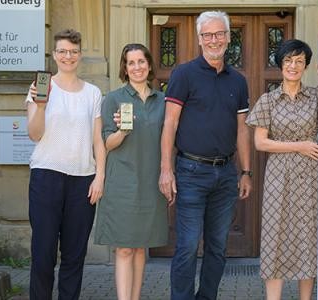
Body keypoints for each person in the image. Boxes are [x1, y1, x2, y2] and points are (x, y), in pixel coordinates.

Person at [158, 10, 252, 300]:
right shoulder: (183, 75)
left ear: (228, 37)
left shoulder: (238, 81)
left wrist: (245, 172)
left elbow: (241, 130)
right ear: (200, 39)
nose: (214, 40)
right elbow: (170, 123)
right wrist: (166, 169)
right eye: (208, 35)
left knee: (217, 247)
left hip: (225, 175)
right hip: (190, 172)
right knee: (186, 246)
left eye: (220, 34)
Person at [26, 29, 105, 299]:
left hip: (83, 180)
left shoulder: (93, 93)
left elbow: (98, 140)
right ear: (54, 55)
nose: (67, 56)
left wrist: (100, 177)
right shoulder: (40, 87)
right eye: (62, 51)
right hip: (46, 176)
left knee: (74, 255)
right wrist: (41, 105)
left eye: (73, 51)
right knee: (43, 253)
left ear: (79, 55)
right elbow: (35, 134)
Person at [246, 39, 318, 300]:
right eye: (288, 61)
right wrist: (299, 145)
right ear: (280, 64)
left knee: (308, 236)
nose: (293, 66)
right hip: (278, 178)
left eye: (299, 61)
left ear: (306, 66)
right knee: (275, 236)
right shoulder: (268, 100)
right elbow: (260, 142)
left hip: (312, 177)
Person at [93, 43, 167, 300]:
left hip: (151, 183)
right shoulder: (113, 98)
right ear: (124, 67)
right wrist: (122, 131)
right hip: (122, 182)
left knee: (139, 249)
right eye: (131, 62)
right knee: (124, 249)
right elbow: (106, 143)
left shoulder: (162, 100)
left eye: (141, 61)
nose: (137, 67)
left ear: (149, 64)